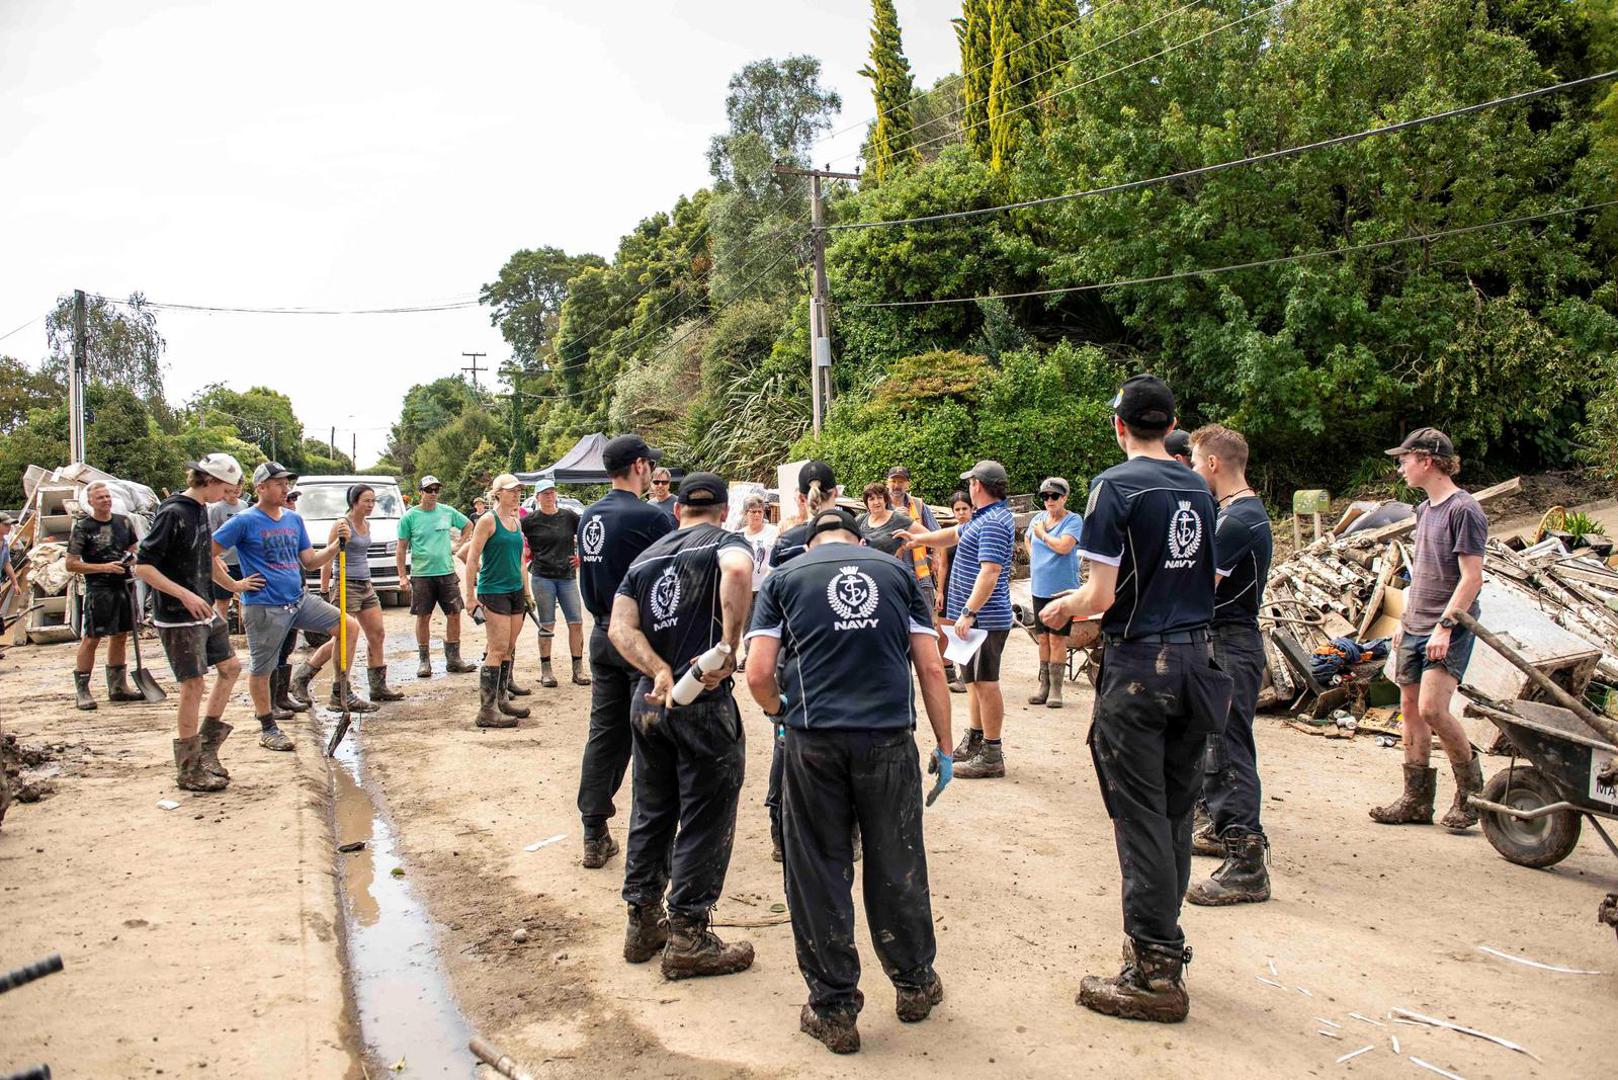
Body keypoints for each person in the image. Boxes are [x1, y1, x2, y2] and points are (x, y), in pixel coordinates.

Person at [1038, 375, 1227, 1023]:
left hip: (1142, 665)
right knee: (1176, 809)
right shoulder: (1199, 489)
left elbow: (1100, 596)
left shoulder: (1114, 487)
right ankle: (1163, 948)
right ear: (1172, 423)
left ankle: (1153, 972)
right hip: (1199, 661)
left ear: (1119, 427)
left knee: (1141, 814)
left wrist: (1061, 608)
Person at [745, 506, 953, 1054]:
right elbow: (931, 667)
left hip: (813, 742)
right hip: (887, 741)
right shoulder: (897, 573)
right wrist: (947, 748)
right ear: (859, 539)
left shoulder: (785, 578)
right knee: (898, 860)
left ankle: (834, 1009)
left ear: (812, 542)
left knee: (817, 869)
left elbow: (759, 673)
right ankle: (914, 985)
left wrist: (778, 713)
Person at [609, 472, 756, 981]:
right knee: (705, 813)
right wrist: (731, 647)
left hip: (649, 702)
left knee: (651, 809)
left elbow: (619, 628)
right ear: (723, 509)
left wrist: (658, 668)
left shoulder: (645, 559)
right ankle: (689, 935)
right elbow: (737, 573)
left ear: (678, 511)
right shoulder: (726, 543)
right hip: (702, 701)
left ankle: (642, 921)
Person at [1370, 427, 1487, 831]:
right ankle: (1416, 800)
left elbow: (1472, 578)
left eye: (1404, 459)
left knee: (1433, 709)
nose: (1400, 467)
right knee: (1409, 711)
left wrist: (1444, 627)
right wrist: (1406, 619)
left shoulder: (1463, 509)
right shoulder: (1425, 511)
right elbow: (1422, 572)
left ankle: (1473, 796)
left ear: (1427, 460)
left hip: (1447, 626)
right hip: (1417, 624)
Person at [575, 435, 676, 868]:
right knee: (650, 736)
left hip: (602, 633)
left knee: (605, 733)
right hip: (639, 638)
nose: (653, 471)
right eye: (649, 464)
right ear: (639, 466)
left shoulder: (588, 517)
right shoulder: (651, 518)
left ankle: (594, 831)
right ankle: (650, 839)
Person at [220, 461, 368, 753]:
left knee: (349, 626)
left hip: (299, 600)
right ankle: (267, 726)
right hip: (264, 605)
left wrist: (337, 547)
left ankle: (341, 691)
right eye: (278, 483)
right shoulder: (244, 520)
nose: (284, 488)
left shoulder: (293, 520)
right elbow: (209, 551)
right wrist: (233, 585)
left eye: (286, 482)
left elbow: (310, 562)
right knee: (262, 667)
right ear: (260, 487)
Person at [1184, 424, 1274, 906]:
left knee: (1228, 749)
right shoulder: (1241, 513)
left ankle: (1246, 864)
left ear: (1214, 464)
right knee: (1217, 743)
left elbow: (1201, 587)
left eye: (1197, 462)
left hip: (1230, 642)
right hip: (1230, 640)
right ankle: (1224, 831)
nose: (1195, 470)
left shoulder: (1236, 520)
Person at [132, 454, 255, 792]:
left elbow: (207, 556)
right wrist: (184, 595)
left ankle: (208, 748)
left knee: (230, 668)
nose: (228, 495)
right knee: (193, 685)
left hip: (204, 610)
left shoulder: (201, 509)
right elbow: (143, 567)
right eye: (226, 488)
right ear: (209, 481)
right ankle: (189, 768)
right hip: (178, 616)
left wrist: (234, 586)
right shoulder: (173, 512)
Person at [897, 460, 1016, 780]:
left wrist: (968, 611)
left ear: (978, 485)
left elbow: (990, 572)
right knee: (975, 681)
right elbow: (950, 535)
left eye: (971, 483)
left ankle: (991, 752)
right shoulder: (985, 517)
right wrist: (917, 538)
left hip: (985, 619)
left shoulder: (991, 523)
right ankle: (977, 739)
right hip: (978, 619)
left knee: (986, 683)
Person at [761, 460, 840, 861]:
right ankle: (848, 833)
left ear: (798, 497)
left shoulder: (787, 542)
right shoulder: (853, 539)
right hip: (844, 664)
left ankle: (781, 832)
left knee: (786, 746)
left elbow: (772, 612)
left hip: (794, 664)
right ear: (837, 493)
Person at [319, 484, 406, 708]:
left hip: (366, 584)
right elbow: (328, 558)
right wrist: (324, 587)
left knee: (377, 634)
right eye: (367, 501)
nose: (371, 505)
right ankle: (337, 691)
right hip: (345, 584)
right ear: (354, 501)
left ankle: (378, 687)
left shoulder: (367, 524)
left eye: (373, 501)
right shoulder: (341, 524)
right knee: (344, 638)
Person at [64, 481, 143, 710]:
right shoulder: (83, 528)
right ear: (90, 502)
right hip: (99, 588)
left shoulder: (123, 522)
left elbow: (136, 549)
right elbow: (71, 564)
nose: (105, 500)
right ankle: (83, 689)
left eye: (107, 496)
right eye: (100, 497)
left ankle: (118, 687)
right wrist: (104, 568)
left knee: (121, 635)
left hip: (124, 585)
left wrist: (134, 561)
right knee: (92, 637)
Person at [462, 475, 532, 728]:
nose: (516, 495)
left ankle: (501, 699)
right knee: (498, 648)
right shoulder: (487, 520)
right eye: (511, 491)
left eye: (519, 491)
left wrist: (526, 592)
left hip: (514, 591)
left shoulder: (516, 520)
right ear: (498, 493)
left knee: (509, 647)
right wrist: (470, 596)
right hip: (494, 591)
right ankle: (486, 710)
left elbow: (522, 560)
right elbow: (471, 558)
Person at [397, 475, 478, 679]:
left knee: (454, 613)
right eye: (429, 490)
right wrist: (402, 576)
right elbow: (401, 547)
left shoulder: (447, 511)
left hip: (446, 572)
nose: (433, 494)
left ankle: (454, 659)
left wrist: (459, 544)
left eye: (436, 490)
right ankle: (424, 660)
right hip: (422, 574)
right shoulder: (410, 517)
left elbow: (468, 525)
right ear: (420, 493)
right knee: (423, 616)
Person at [522, 478, 588, 689]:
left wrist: (582, 557)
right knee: (547, 623)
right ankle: (546, 670)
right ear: (537, 497)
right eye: (544, 493)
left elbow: (588, 533)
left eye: (552, 492)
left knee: (576, 622)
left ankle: (578, 669)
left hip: (567, 576)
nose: (549, 496)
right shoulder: (530, 521)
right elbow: (515, 538)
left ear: (556, 494)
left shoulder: (568, 517)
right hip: (542, 577)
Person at [1027, 476, 1083, 709]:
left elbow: (1064, 547)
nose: (1050, 500)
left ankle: (1057, 690)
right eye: (1045, 496)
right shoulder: (1038, 519)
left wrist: (1043, 536)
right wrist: (1036, 560)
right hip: (1040, 586)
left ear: (1064, 497)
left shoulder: (1073, 520)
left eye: (1055, 496)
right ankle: (1044, 686)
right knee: (1042, 638)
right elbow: (1027, 539)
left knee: (1057, 638)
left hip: (1062, 589)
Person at [936, 492, 974, 694]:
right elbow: (942, 565)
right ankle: (947, 670)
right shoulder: (949, 534)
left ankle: (965, 676)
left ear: (972, 509)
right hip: (950, 586)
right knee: (943, 631)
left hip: (969, 587)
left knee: (965, 632)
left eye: (964, 509)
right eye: (957, 509)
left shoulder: (977, 531)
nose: (960, 513)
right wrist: (940, 591)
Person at [734, 493, 777, 666]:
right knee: (747, 624)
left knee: (765, 622)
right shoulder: (738, 535)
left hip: (765, 585)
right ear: (745, 514)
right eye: (752, 512)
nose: (756, 515)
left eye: (759, 511)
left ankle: (765, 657)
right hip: (745, 587)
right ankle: (748, 655)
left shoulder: (773, 532)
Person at [208, 482, 248, 623]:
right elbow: (209, 536)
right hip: (224, 564)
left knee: (246, 600)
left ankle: (246, 632)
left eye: (239, 485)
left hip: (242, 562)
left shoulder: (244, 506)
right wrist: (217, 559)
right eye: (234, 485)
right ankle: (220, 635)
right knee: (222, 602)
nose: (237, 489)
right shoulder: (216, 508)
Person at [855, 483, 913, 557]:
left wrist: (903, 548)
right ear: (867, 503)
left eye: (879, 497)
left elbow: (925, 535)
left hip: (888, 566)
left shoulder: (897, 518)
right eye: (871, 499)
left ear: (885, 500)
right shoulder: (860, 519)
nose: (876, 502)